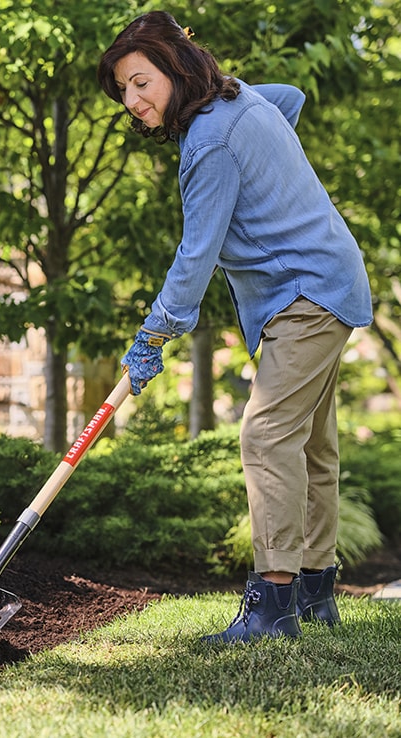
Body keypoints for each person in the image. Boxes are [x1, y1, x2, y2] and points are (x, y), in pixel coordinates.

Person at [97, 11, 373, 643]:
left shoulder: (209, 144)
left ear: (173, 67)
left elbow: (196, 256)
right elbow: (290, 98)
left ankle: (273, 605)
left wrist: (153, 335)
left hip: (303, 293)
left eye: (141, 83)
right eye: (124, 93)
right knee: (311, 444)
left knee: (266, 434)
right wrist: (269, 165)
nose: (134, 103)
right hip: (332, 278)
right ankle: (316, 592)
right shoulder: (241, 100)